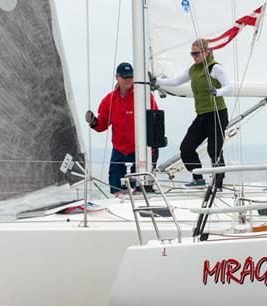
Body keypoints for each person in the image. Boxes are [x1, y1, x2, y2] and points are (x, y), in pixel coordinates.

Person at [153, 39, 234, 189]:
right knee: (186, 147)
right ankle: (198, 179)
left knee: (214, 150)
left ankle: (218, 184)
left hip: (217, 113)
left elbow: (229, 87)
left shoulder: (214, 68)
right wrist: (156, 81)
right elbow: (176, 81)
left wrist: (218, 92)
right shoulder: (193, 69)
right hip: (202, 114)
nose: (194, 57)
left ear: (206, 52)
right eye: (192, 54)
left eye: (197, 54)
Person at [85, 62, 159, 194]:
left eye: (131, 77)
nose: (128, 80)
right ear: (117, 77)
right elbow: (102, 124)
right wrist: (93, 122)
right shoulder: (109, 99)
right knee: (116, 191)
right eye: (125, 77)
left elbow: (155, 120)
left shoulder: (143, 97)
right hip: (119, 151)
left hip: (139, 152)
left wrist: (153, 149)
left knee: (139, 191)